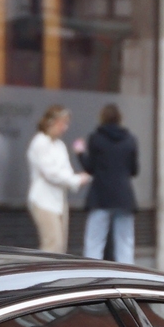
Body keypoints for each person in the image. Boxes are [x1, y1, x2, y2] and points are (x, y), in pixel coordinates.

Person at [78, 104, 140, 263]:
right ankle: (127, 279)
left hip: (101, 196)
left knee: (94, 242)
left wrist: (80, 154)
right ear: (120, 118)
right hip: (124, 197)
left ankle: (93, 278)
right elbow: (134, 170)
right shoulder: (130, 140)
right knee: (125, 243)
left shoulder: (96, 138)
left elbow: (90, 168)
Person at [26, 105, 90, 253]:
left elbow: (65, 171)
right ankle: (42, 275)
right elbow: (51, 173)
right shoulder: (40, 142)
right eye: (62, 123)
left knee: (60, 248)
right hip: (43, 201)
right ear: (51, 122)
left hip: (59, 201)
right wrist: (75, 180)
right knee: (52, 244)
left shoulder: (59, 145)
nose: (65, 128)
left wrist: (74, 178)